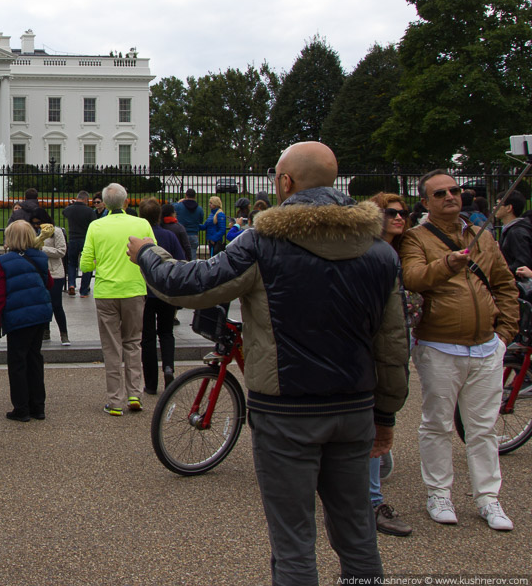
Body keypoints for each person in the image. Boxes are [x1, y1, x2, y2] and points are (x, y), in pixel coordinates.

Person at [127, 142, 408, 584]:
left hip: (287, 410)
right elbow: (393, 344)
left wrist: (147, 252)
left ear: (284, 183)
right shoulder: (379, 252)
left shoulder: (264, 244)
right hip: (354, 407)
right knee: (356, 536)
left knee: (294, 543)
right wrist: (386, 413)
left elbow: (186, 285)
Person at [399, 169, 520, 532]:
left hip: (486, 346)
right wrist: (447, 263)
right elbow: (413, 278)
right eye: (440, 193)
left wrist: (504, 334)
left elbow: (504, 283)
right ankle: (439, 492)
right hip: (440, 345)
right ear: (426, 202)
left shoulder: (482, 236)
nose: (450, 196)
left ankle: (488, 497)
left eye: (454, 190)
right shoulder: (415, 238)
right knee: (436, 423)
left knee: (482, 428)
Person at [80, 183, 155, 416]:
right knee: (133, 342)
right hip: (133, 289)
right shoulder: (141, 224)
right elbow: (153, 254)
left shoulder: (96, 226)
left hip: (107, 291)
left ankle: (114, 400)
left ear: (104, 203)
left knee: (111, 347)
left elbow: (85, 264)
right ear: (127, 201)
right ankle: (135, 394)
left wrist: (100, 262)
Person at [365, 192, 414, 538]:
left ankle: (374, 470)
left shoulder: (409, 249)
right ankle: (372, 497)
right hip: (377, 343)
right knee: (373, 416)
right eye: (391, 213)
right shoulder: (367, 251)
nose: (399, 218)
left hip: (405, 338)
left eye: (404, 213)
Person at [0, 220, 53, 422]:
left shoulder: (5, 260)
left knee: (17, 362)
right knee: (35, 358)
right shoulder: (41, 257)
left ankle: (21, 407)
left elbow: (0, 294)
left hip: (18, 316)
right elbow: (49, 283)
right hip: (39, 314)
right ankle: (38, 406)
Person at [137, 198, 185, 395]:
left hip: (145, 291)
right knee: (166, 333)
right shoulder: (169, 236)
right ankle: (168, 367)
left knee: (147, 338)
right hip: (165, 291)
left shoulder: (138, 238)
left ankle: (150, 382)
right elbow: (180, 259)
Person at [30, 207, 69, 344]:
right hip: (39, 272)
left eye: (38, 223)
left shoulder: (56, 232)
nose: (36, 226)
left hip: (55, 272)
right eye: (33, 223)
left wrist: (41, 248)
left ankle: (64, 334)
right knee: (42, 304)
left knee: (56, 304)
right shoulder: (32, 233)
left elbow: (61, 251)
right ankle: (45, 331)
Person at [63, 191, 97, 296]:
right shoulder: (89, 211)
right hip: (85, 240)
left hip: (73, 239)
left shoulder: (69, 209)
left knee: (72, 263)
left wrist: (71, 205)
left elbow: (64, 213)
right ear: (86, 199)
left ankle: (71, 284)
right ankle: (83, 290)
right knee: (86, 264)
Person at [495, 191, 532, 278]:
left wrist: (500, 272)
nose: (494, 207)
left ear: (508, 208)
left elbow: (522, 264)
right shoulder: (511, 230)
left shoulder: (516, 232)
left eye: (498, 204)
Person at [172, 188, 204, 260]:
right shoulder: (199, 209)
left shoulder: (179, 206)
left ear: (186, 195)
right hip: (194, 234)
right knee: (192, 257)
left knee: (181, 256)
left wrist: (179, 202)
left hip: (182, 234)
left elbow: (170, 207)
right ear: (195, 197)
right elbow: (200, 221)